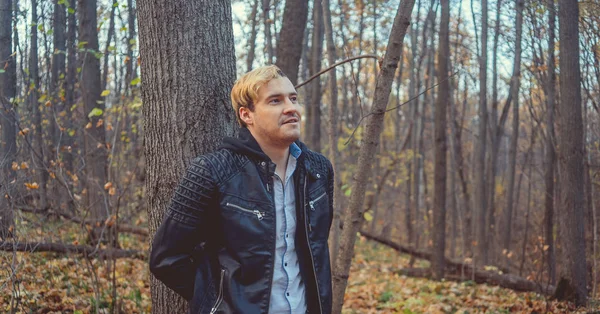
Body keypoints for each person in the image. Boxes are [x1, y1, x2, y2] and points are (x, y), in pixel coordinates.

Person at [149, 65, 334, 314]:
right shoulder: (213, 171)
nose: (291, 108)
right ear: (247, 115)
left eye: (293, 98)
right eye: (275, 101)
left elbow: (317, 250)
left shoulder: (318, 170)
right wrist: (220, 303)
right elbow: (166, 259)